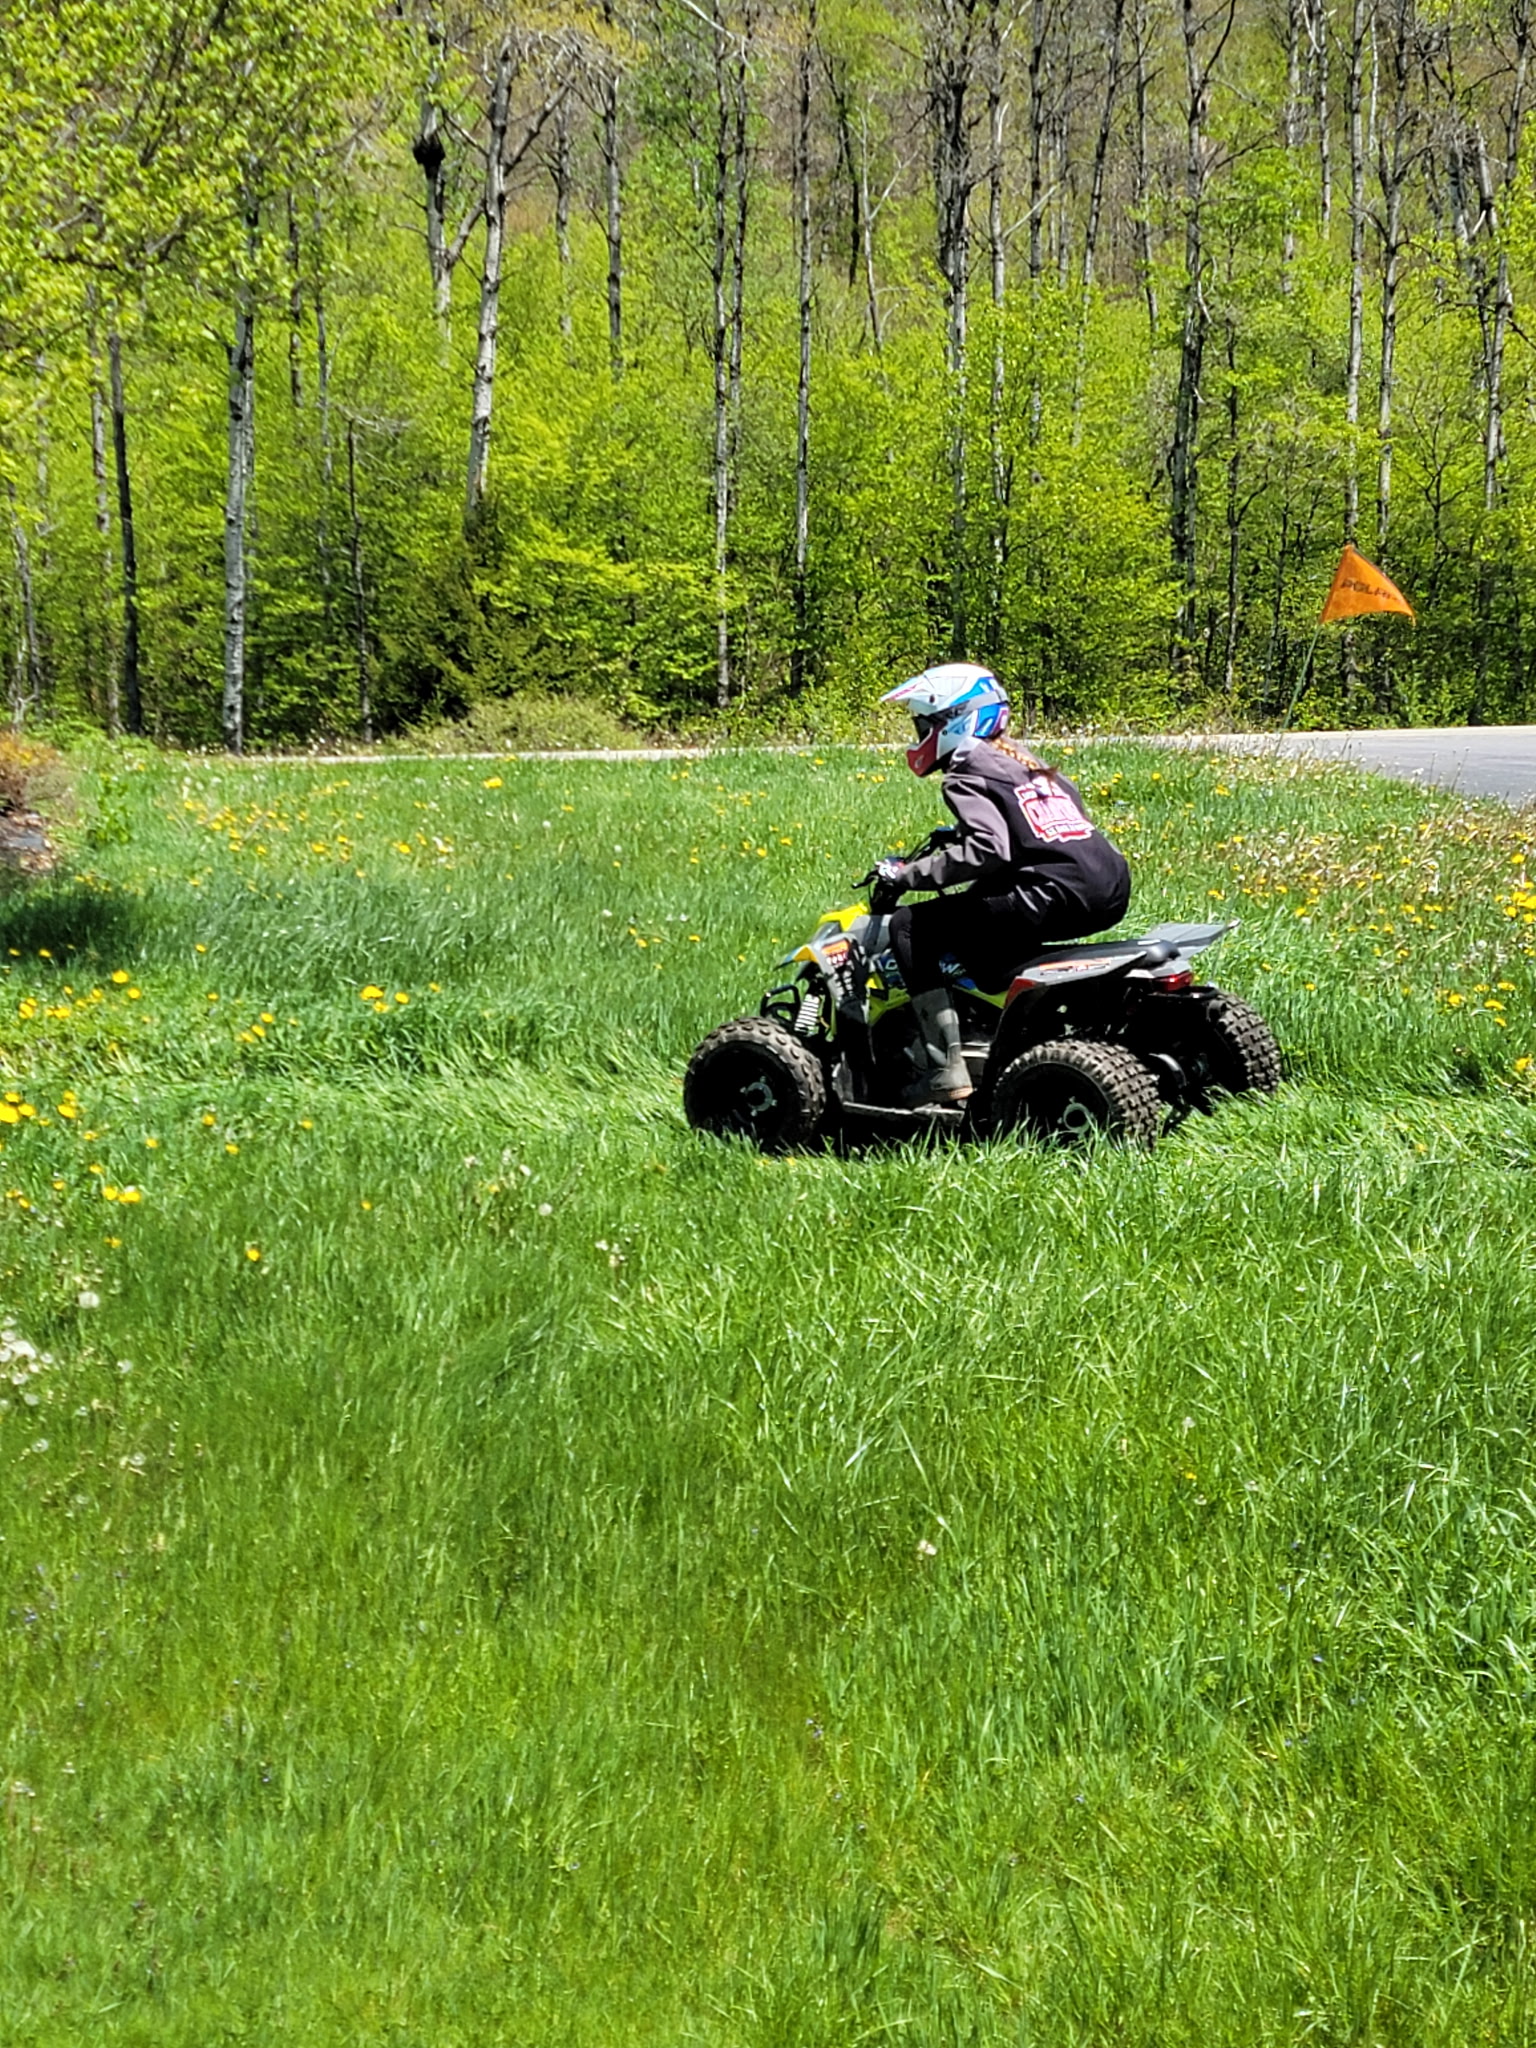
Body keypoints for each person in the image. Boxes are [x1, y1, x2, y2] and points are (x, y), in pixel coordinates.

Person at [871, 662, 1133, 1106]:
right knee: (979, 915)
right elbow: (1043, 825)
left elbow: (988, 850)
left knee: (910, 927)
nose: (919, 736)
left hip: (1052, 892)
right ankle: (1007, 1027)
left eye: (923, 725)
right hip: (1106, 885)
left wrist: (906, 874)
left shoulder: (966, 770)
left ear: (952, 719)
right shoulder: (1022, 759)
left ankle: (945, 1071)